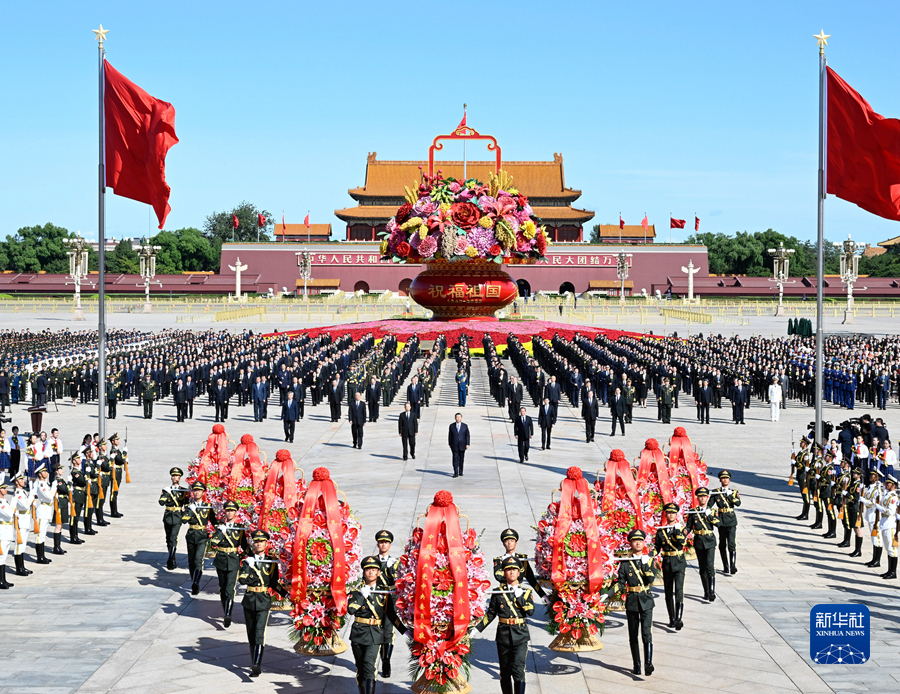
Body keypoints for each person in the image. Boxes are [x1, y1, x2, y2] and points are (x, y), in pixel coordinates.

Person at [476, 556, 535, 694]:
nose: (512, 572)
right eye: (508, 570)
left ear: (519, 572)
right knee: (505, 671)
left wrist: (520, 596)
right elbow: (491, 614)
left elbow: (531, 611)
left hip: (520, 635)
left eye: (514, 569)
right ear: (504, 572)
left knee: (519, 669)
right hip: (503, 635)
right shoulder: (498, 592)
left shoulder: (526, 592)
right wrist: (477, 630)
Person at [348, 556, 407, 693]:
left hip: (375, 634)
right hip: (358, 633)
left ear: (379, 573)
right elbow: (351, 609)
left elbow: (391, 615)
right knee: (361, 668)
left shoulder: (383, 592)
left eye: (374, 569)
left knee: (370, 667)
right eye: (368, 569)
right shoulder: (357, 590)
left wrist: (405, 632)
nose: (371, 572)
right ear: (363, 572)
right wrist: (363, 595)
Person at [238, 530, 288, 677]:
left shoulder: (271, 562)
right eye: (256, 541)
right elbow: (241, 580)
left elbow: (274, 583)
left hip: (263, 601)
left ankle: (256, 664)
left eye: (261, 541)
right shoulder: (248, 561)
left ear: (266, 544)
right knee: (251, 634)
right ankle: (255, 659)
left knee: (260, 633)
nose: (258, 544)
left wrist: (287, 595)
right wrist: (248, 566)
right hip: (249, 600)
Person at [616, 528, 657, 676]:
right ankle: (636, 664)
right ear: (631, 543)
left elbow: (651, 580)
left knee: (647, 633)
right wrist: (605, 594)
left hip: (646, 600)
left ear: (644, 542)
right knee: (633, 634)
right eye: (635, 541)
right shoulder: (626, 563)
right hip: (632, 600)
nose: (638, 543)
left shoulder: (649, 559)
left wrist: (645, 565)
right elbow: (620, 582)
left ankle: (648, 663)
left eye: (640, 540)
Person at [209, 500, 249, 627]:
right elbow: (213, 543)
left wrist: (254, 556)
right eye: (228, 510)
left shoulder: (239, 528)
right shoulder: (220, 526)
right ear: (225, 512)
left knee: (230, 588)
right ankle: (225, 609)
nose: (230, 513)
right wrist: (221, 532)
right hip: (220, 559)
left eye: (232, 511)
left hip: (233, 560)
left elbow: (244, 546)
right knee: (222, 587)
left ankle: (227, 614)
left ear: (236, 512)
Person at [654, 502, 686, 630]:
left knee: (679, 590)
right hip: (667, 562)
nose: (671, 515)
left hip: (678, 561)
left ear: (676, 514)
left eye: (673, 513)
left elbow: (682, 541)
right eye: (669, 513)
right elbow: (657, 548)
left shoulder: (681, 528)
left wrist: (678, 530)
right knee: (668, 592)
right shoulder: (661, 531)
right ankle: (671, 618)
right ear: (666, 514)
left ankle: (678, 618)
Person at [374, 530, 402, 678]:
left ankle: (386, 660)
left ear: (390, 545)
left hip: (390, 599)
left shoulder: (396, 562)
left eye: (386, 542)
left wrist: (392, 568)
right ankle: (377, 658)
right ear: (378, 543)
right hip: (375, 599)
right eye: (381, 542)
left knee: (389, 630)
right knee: (376, 629)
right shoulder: (372, 561)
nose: (383, 544)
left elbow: (398, 581)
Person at [685, 487, 719, 601]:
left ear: (707, 497)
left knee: (710, 566)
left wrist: (709, 515)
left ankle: (712, 591)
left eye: (705, 496)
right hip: (699, 540)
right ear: (697, 497)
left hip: (709, 540)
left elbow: (719, 524)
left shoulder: (712, 511)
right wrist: (680, 534)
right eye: (700, 496)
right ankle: (706, 591)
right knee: (702, 568)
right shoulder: (693, 511)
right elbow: (688, 527)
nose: (703, 498)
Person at [182, 481, 215, 595]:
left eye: (199, 491)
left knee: (198, 560)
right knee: (191, 561)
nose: (197, 493)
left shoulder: (207, 507)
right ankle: (193, 580)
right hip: (191, 534)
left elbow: (214, 522)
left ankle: (196, 583)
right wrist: (190, 511)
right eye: (195, 490)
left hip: (202, 535)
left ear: (203, 492)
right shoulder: (188, 507)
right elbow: (184, 520)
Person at [493, 528, 546, 598]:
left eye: (512, 541)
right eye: (506, 541)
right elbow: (498, 576)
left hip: (519, 593)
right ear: (503, 544)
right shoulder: (499, 560)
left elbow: (531, 579)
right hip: (504, 594)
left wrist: (543, 596)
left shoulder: (523, 559)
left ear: (516, 543)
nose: (509, 543)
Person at [159, 467, 189, 570]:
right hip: (168, 515)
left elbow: (187, 504)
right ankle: (173, 558)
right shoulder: (167, 490)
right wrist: (166, 494)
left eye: (177, 476)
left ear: (180, 478)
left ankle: (170, 559)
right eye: (173, 476)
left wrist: (185, 515)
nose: (174, 477)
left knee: (173, 537)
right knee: (168, 538)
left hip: (177, 516)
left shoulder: (183, 491)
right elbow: (161, 502)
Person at [714, 470, 741, 574]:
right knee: (722, 545)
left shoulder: (734, 492)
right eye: (723, 478)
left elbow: (738, 503)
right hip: (721, 520)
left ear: (729, 480)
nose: (725, 480)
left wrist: (729, 495)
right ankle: (725, 566)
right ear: (720, 480)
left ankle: (733, 565)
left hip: (731, 520)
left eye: (727, 478)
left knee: (731, 544)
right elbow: (709, 505)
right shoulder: (716, 492)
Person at [32, 462, 56, 564]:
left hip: (47, 510)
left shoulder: (45, 483)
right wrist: (54, 487)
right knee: (39, 535)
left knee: (43, 534)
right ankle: (39, 557)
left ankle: (42, 556)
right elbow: (49, 497)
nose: (47, 473)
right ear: (40, 474)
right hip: (42, 510)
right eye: (45, 472)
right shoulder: (41, 485)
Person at [12, 471, 35, 576]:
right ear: (17, 482)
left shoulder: (23, 492)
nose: (23, 481)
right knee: (19, 545)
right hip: (21, 521)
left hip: (26, 520)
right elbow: (25, 506)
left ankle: (22, 566)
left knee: (23, 545)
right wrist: (31, 496)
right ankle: (18, 569)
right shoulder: (18, 494)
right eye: (21, 479)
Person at [861, 469, 884, 569]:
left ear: (877, 477)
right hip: (870, 515)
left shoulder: (877, 490)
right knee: (873, 538)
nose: (870, 476)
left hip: (875, 516)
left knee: (877, 539)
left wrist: (864, 501)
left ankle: (877, 560)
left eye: (872, 475)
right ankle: (874, 559)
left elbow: (874, 504)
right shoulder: (871, 487)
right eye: (870, 474)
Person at [878, 473, 899, 580]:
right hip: (884, 523)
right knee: (888, 548)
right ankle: (889, 570)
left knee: (892, 549)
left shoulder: (894, 497)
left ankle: (893, 572)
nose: (886, 484)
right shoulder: (888, 495)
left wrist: (879, 508)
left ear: (893, 485)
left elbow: (890, 511)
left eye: (889, 483)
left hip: (890, 524)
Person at [791, 437, 812, 521]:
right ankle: (803, 513)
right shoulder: (801, 452)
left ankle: (806, 514)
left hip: (804, 477)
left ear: (805, 444)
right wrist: (793, 456)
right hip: (800, 476)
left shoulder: (806, 454)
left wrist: (795, 463)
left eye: (802, 443)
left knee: (805, 496)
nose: (800, 444)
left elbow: (803, 466)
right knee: (803, 496)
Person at [0, 479, 15, 588]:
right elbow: (9, 514)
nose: (6, 490)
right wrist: (14, 502)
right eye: (4, 488)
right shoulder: (1, 504)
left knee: (4, 556)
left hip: (8, 530)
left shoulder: (4, 501)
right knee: (1, 556)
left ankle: (3, 579)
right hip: (3, 531)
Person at [448, 412, 470, 478]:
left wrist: (467, 443)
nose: (458, 419)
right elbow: (450, 435)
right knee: (455, 458)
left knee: (461, 459)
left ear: (461, 418)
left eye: (459, 417)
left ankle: (460, 471)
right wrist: (449, 443)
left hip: (462, 445)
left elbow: (467, 435)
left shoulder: (465, 426)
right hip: (454, 445)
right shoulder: (451, 426)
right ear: (455, 418)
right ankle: (455, 472)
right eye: (457, 417)